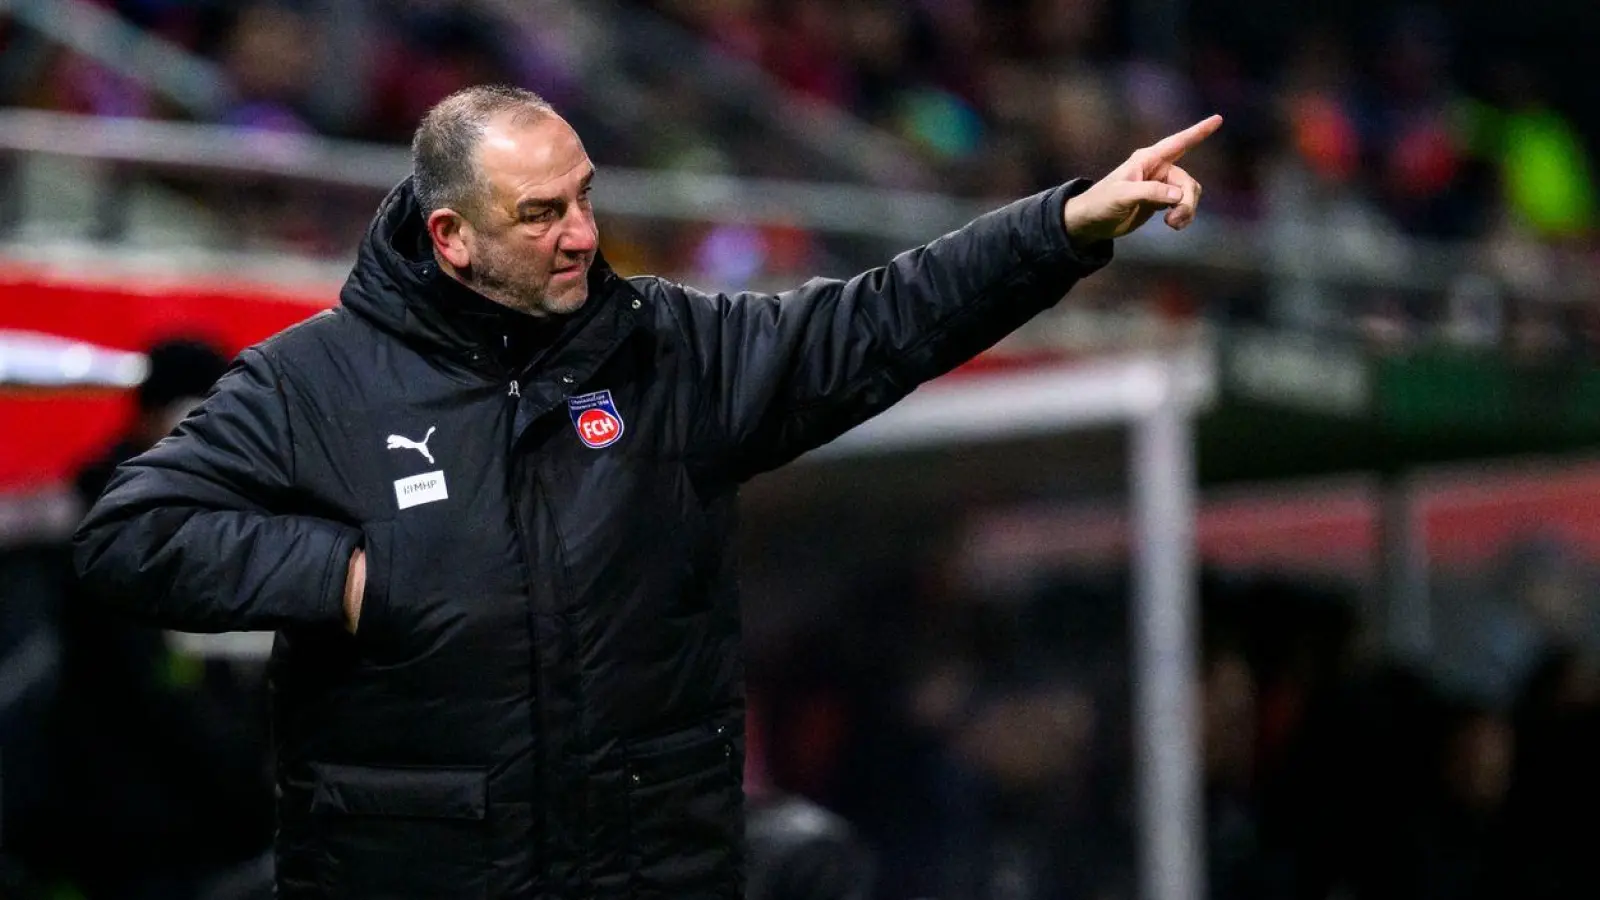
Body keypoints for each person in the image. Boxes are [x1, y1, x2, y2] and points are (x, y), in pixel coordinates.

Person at [71, 84, 1219, 898]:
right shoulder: (313, 383)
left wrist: (1062, 228)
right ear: (451, 238)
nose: (582, 234)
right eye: (541, 214)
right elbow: (131, 532)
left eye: (583, 196)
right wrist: (351, 576)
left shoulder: (669, 354)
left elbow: (882, 319)